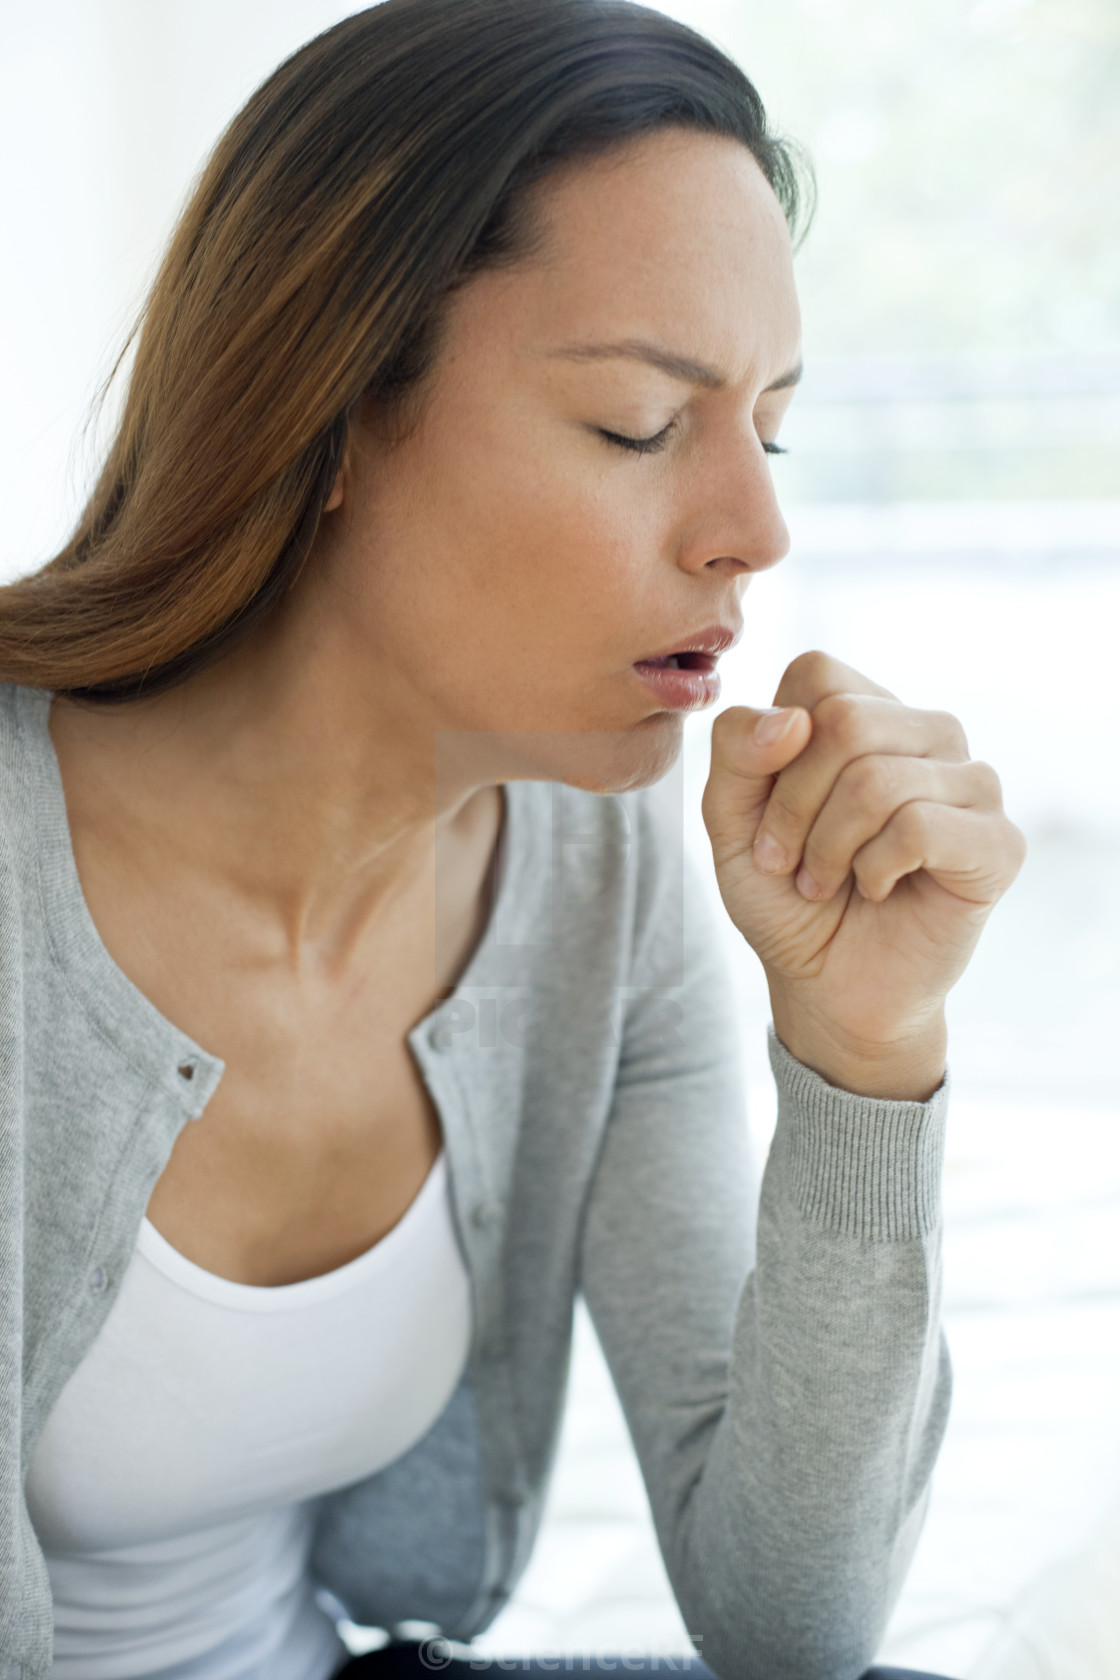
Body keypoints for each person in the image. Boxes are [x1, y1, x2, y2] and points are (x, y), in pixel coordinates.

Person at [0, 2, 1025, 1677]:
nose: (755, 530)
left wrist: (867, 1050)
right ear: (327, 413)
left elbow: (793, 1622)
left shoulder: (592, 878)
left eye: (769, 429)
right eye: (639, 423)